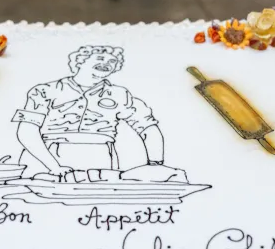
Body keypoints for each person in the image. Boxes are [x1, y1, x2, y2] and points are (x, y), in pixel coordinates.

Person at [12, 45, 164, 178]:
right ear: (80, 60)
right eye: (100, 58)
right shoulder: (45, 90)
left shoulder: (120, 94)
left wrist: (155, 164)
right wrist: (53, 166)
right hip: (45, 156)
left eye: (112, 62)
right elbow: (27, 131)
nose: (106, 64)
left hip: (98, 157)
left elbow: (148, 127)